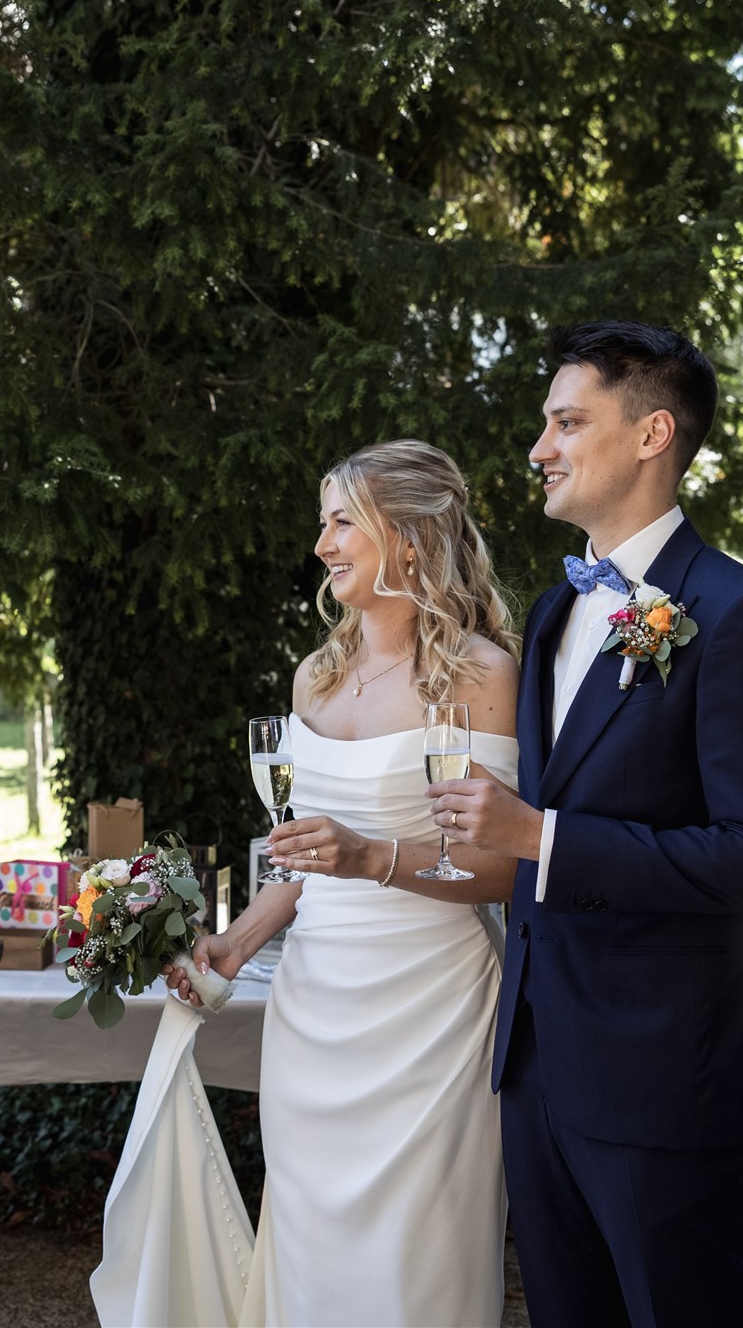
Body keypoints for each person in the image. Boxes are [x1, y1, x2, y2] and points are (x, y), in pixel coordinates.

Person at [430, 321, 743, 1327]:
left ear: (650, 434)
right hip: (536, 1070)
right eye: (542, 424)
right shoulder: (557, 617)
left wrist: (542, 839)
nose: (538, 447)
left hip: (664, 1079)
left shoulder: (740, 616)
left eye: (566, 421)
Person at [160, 439, 522, 1326]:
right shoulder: (315, 676)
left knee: (419, 1258)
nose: (322, 543)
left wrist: (376, 857)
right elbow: (300, 853)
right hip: (315, 1011)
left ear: (407, 536)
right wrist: (238, 942)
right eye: (322, 522)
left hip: (430, 1015)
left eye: (341, 521)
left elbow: (505, 868)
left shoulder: (481, 673)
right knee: (313, 1249)